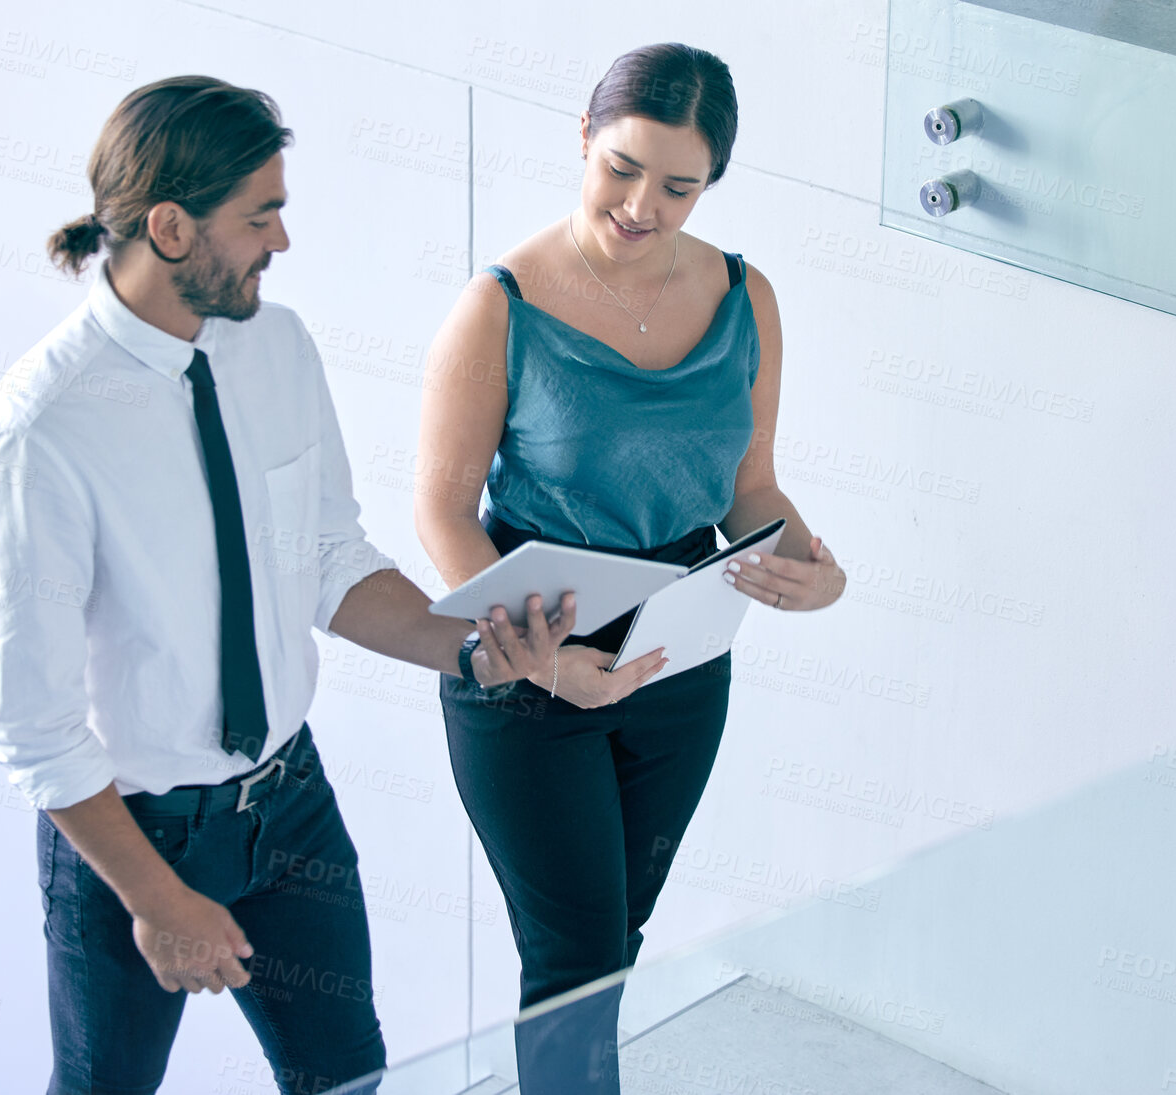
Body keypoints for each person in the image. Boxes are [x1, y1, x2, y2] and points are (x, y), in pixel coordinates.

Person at [0, 76, 577, 1095]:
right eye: (259, 216)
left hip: (291, 806)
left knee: (347, 1076)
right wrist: (156, 900)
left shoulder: (276, 349)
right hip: (132, 833)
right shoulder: (37, 437)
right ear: (167, 226)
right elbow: (32, 727)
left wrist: (468, 646)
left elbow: (329, 561)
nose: (279, 242)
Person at [414, 43, 847, 1093]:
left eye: (677, 185)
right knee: (571, 962)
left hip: (678, 657)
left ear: (712, 184)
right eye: (620, 168)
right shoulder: (501, 304)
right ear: (581, 139)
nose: (640, 205)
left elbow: (751, 488)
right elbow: (439, 510)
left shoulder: (748, 297)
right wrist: (539, 659)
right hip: (530, 653)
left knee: (618, 938)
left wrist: (817, 569)